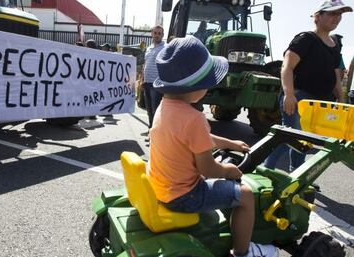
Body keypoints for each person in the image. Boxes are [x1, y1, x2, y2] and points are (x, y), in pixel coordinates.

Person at [147, 35, 278, 257]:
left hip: (162, 185)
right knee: (246, 194)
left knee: (227, 185)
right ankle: (242, 251)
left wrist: (231, 144)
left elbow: (197, 138)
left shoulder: (165, 107)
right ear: (197, 87)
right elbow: (208, 169)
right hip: (184, 196)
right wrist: (229, 170)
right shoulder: (194, 118)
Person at [264, 0, 352, 172]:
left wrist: (341, 99)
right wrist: (289, 94)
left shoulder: (333, 45)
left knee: (306, 141)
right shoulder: (306, 39)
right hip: (299, 97)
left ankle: (296, 174)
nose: (337, 18)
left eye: (340, 14)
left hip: (320, 102)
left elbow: (335, 76)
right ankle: (265, 170)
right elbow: (287, 67)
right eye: (332, 13)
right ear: (318, 17)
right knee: (289, 136)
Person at [142, 25, 165, 140]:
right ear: (151, 34)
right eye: (155, 33)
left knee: (156, 110)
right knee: (149, 110)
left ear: (162, 35)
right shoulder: (149, 48)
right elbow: (145, 64)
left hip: (157, 84)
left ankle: (156, 135)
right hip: (147, 82)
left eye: (159, 33)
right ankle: (151, 130)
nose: (156, 35)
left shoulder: (165, 47)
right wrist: (142, 79)